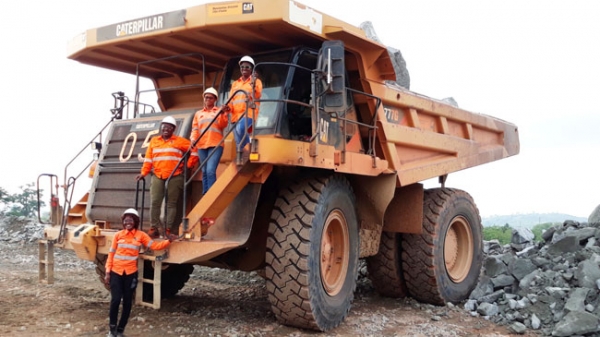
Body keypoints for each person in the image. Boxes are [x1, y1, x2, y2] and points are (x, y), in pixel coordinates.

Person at [104, 208, 175, 337]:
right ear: (123, 222)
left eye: (130, 221)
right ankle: (112, 330)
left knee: (127, 302)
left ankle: (120, 331)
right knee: (115, 300)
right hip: (116, 272)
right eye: (126, 221)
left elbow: (154, 246)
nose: (128, 223)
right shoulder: (118, 235)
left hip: (130, 274)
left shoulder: (141, 235)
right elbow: (111, 254)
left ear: (135, 222)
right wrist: (108, 272)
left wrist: (168, 241)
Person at [135, 116, 198, 235]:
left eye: (169, 127)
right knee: (155, 202)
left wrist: (189, 165)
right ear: (161, 127)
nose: (166, 129)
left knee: (171, 204)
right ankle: (154, 228)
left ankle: (168, 229)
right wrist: (144, 173)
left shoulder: (180, 141)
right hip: (158, 175)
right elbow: (148, 159)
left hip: (175, 176)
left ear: (173, 129)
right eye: (164, 126)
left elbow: (195, 149)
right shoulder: (154, 141)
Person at [190, 87, 228, 194]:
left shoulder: (219, 111)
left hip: (215, 144)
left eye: (210, 98)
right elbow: (195, 129)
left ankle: (212, 194)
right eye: (206, 97)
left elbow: (223, 124)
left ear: (215, 99)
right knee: (204, 171)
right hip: (201, 145)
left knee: (210, 170)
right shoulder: (198, 114)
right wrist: (193, 139)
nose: (208, 99)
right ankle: (205, 192)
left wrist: (222, 113)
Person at [225, 55, 263, 149]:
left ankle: (248, 148)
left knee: (241, 129)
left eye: (247, 67)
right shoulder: (235, 83)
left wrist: (253, 83)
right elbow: (231, 99)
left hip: (248, 113)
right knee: (238, 140)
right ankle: (242, 156)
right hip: (235, 116)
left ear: (251, 69)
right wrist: (227, 108)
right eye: (242, 67)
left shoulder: (257, 81)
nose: (244, 69)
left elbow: (257, 95)